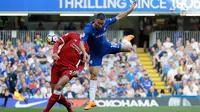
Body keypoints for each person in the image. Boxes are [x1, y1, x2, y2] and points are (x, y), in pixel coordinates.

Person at [79, 2, 137, 110]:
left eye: (102, 23)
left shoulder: (106, 23)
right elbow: (81, 42)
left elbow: (119, 16)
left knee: (129, 48)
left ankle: (124, 40)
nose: (100, 25)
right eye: (98, 23)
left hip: (107, 46)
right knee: (93, 75)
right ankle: (91, 101)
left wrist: (130, 10)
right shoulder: (88, 28)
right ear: (95, 20)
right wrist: (85, 52)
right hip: (95, 54)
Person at [43, 32, 89, 112]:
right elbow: (57, 43)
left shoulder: (87, 47)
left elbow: (82, 63)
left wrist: (78, 71)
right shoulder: (72, 35)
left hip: (70, 68)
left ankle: (46, 110)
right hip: (57, 65)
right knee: (55, 93)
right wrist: (54, 53)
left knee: (58, 87)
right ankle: (68, 105)